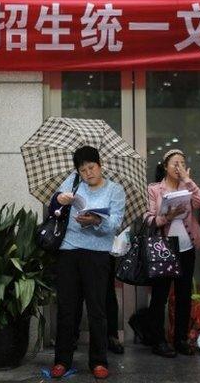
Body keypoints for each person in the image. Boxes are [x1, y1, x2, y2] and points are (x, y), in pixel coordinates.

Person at [50, 146, 126, 380]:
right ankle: (62, 360)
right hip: (69, 251)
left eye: (91, 168)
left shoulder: (115, 190)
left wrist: (95, 221)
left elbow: (115, 224)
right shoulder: (72, 183)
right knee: (67, 308)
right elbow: (55, 211)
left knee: (97, 309)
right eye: (82, 170)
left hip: (98, 255)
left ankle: (99, 361)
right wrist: (59, 201)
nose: (88, 173)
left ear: (100, 165)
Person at [143, 149, 200, 358]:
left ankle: (180, 338)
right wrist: (166, 217)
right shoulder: (154, 189)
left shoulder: (186, 187)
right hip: (164, 248)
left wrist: (189, 181)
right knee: (160, 296)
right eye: (174, 163)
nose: (178, 167)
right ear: (165, 166)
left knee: (183, 295)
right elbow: (147, 217)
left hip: (186, 247)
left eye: (182, 163)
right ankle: (158, 340)